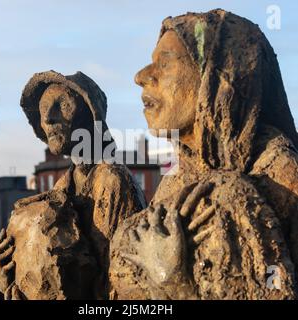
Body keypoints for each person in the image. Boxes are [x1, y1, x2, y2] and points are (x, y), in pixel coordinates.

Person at [109, 9, 298, 299]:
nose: (142, 76)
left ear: (216, 75)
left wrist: (176, 285)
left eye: (165, 63)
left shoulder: (280, 172)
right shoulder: (176, 180)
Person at [0, 71, 146, 299]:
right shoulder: (60, 189)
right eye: (44, 111)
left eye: (62, 105)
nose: (48, 118)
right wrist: (12, 278)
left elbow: (118, 283)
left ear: (90, 113)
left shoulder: (112, 181)